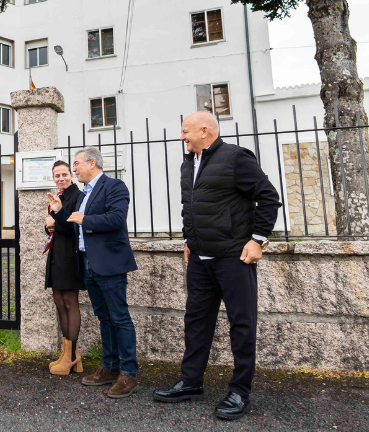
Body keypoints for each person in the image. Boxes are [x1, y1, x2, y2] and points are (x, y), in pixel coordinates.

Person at [153, 111, 281, 421]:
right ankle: (191, 381)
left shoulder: (235, 158)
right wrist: (189, 239)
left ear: (205, 130)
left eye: (186, 131)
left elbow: (269, 197)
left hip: (233, 257)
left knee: (241, 324)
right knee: (196, 321)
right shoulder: (189, 163)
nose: (182, 137)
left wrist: (258, 240)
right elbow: (193, 207)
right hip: (200, 258)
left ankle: (240, 391)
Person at [48, 147, 139, 399]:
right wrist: (59, 211)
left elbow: (117, 219)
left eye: (76, 164)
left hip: (109, 263)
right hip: (88, 263)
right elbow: (72, 223)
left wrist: (84, 219)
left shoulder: (114, 186)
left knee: (119, 317)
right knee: (104, 317)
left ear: (91, 163)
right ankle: (109, 368)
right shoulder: (84, 193)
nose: (74, 169)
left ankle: (129, 372)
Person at [43, 160, 85, 376]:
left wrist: (55, 222)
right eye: (57, 175)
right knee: (59, 302)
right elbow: (53, 228)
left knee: (70, 302)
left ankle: (71, 357)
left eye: (64, 174)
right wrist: (47, 225)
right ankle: (69, 353)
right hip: (57, 254)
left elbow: (73, 228)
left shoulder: (78, 196)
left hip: (70, 256)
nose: (61, 178)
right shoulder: (58, 197)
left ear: (72, 175)